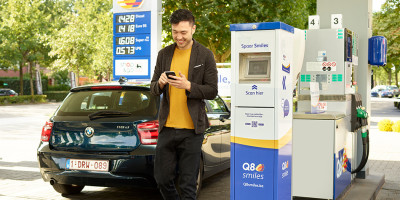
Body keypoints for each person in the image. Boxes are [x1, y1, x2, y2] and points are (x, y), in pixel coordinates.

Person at [150, 8, 218, 200]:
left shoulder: (205, 55)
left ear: (193, 29)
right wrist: (161, 83)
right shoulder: (164, 54)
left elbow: (212, 91)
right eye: (174, 32)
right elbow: (153, 88)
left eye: (183, 32)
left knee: (188, 185)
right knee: (162, 179)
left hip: (192, 130)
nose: (178, 37)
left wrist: (189, 85)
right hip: (167, 128)